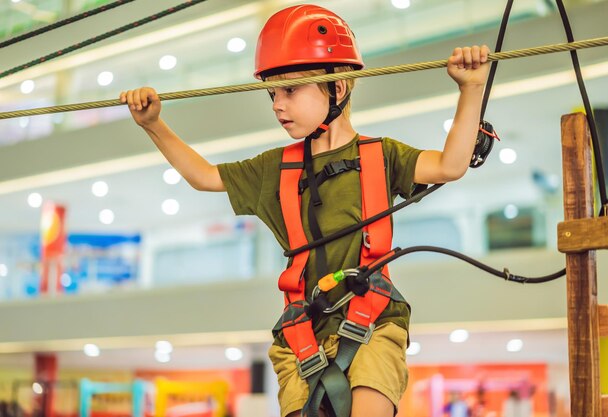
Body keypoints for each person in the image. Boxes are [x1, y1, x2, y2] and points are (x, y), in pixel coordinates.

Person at [120, 5, 490, 417]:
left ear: (340, 86)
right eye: (272, 94)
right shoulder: (273, 169)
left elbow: (450, 165)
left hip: (374, 320)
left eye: (290, 91)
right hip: (301, 335)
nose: (278, 105)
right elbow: (203, 176)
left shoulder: (380, 156)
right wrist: (153, 124)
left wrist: (471, 89)